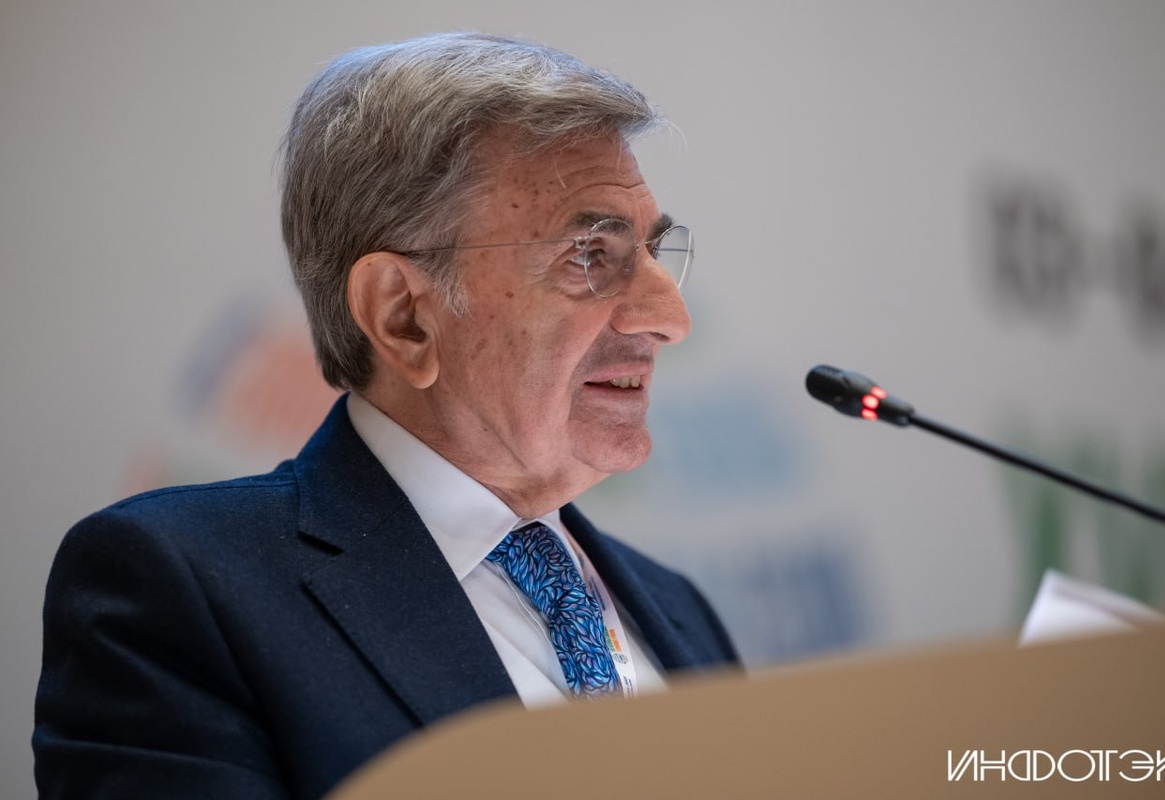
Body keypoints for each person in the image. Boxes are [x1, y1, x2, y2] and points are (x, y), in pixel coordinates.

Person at [33, 32, 739, 799]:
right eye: (589, 255)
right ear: (402, 315)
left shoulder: (677, 608)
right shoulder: (182, 589)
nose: (670, 318)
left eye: (654, 252)